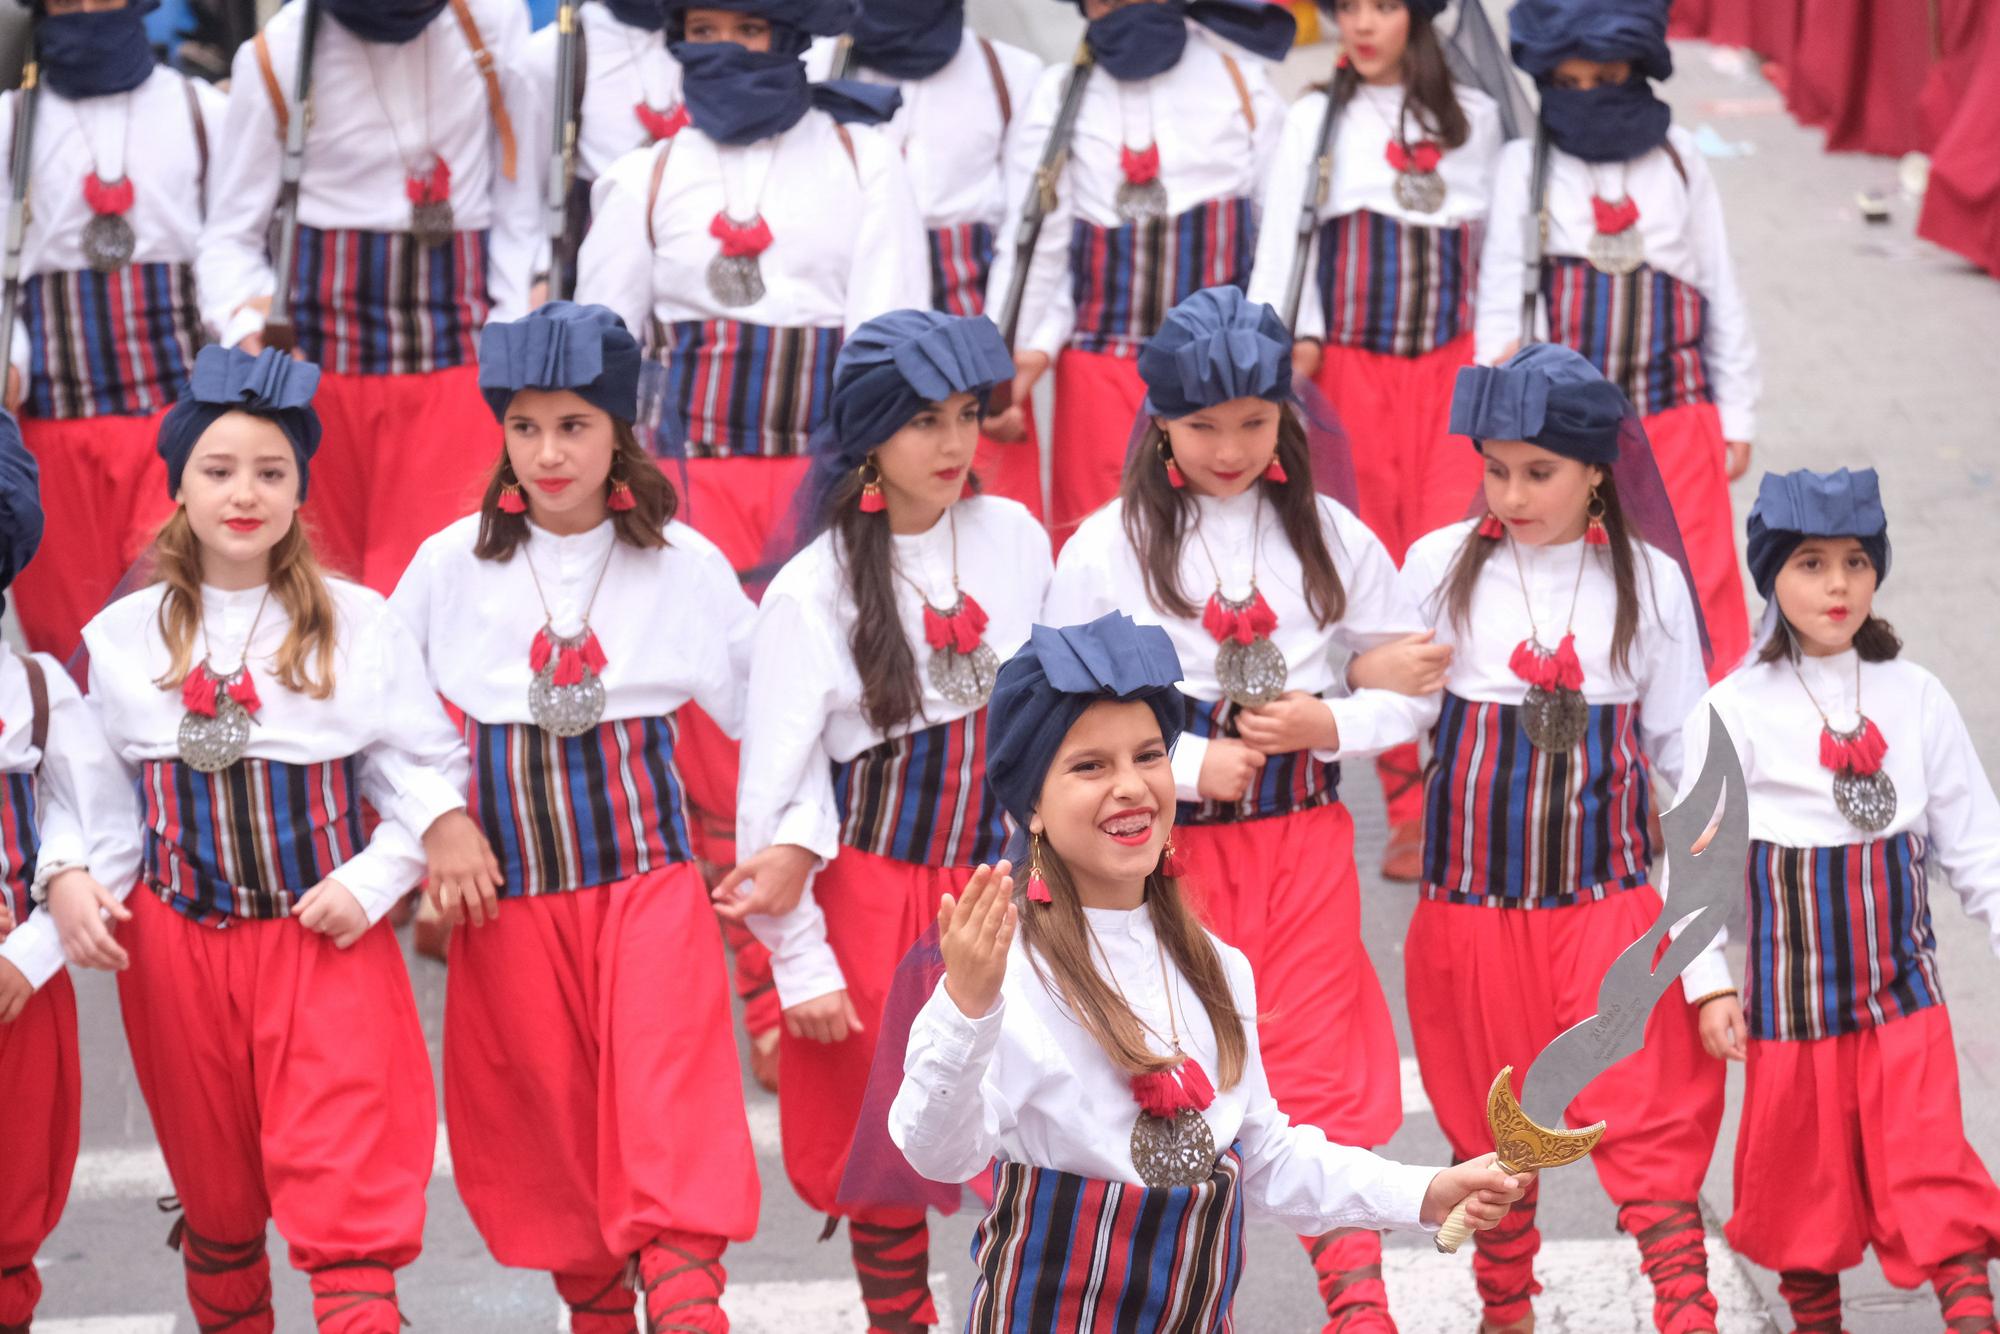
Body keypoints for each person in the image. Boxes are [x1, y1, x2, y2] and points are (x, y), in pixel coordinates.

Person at [884, 610, 1531, 1329]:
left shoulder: (1216, 967)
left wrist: (1426, 1191)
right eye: (1089, 766)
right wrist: (967, 1007)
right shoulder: (1011, 973)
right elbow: (935, 1150)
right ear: (1032, 804)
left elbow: (1264, 1156)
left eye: (1149, 756)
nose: (1130, 786)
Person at [1043, 287, 1433, 1331]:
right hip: (1154, 867)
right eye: (1203, 425)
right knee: (1160, 1078)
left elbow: (1412, 681)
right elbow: (1049, 707)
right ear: (1158, 420)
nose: (1229, 446)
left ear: (1284, 418)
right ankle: (1151, 1300)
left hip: (1304, 841)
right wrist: (1178, 760)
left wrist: (1330, 722)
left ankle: (1358, 1307)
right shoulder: (1105, 545)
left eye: (1254, 422)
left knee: (1317, 1068)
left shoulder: (1330, 533)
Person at [78, 345, 471, 1333]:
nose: (243, 493)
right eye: (217, 470)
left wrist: (376, 879)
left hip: (319, 943)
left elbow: (425, 767)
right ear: (179, 485)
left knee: (346, 1203)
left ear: (301, 486)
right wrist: (73, 879)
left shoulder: (357, 621)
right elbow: (102, 806)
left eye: (270, 471)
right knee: (217, 1201)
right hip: (177, 952)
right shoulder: (122, 637)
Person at [390, 301, 757, 1333]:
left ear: (618, 432)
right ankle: (596, 1313)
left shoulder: (681, 563)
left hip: (648, 887)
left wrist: (784, 840)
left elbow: (768, 706)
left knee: (667, 1116)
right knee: (540, 1132)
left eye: (575, 426)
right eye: (525, 426)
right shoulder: (445, 565)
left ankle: (689, 1315)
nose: (549, 452)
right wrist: (439, 816)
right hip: (509, 902)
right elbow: (381, 714)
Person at [1365, 343, 1724, 1334]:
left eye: (1537, 472)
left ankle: (1684, 1309)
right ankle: (1503, 1306)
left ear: (1597, 468)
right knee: (1486, 1123)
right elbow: (1394, 719)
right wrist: (1327, 712)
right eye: (1495, 468)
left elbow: (1691, 774)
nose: (1511, 492)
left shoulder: (1644, 582)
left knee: (1645, 1116)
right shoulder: (1438, 566)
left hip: (1605, 910)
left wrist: (1709, 966)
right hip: (1467, 915)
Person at [722, 308, 1047, 1333]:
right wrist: (799, 960)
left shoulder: (1014, 537)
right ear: (868, 436)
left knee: (1036, 1112)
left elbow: (1059, 714)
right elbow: (774, 793)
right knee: (889, 1144)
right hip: (875, 896)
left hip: (1008, 886)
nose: (953, 444)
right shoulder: (811, 590)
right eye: (922, 423)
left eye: (964, 415)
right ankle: (897, 1319)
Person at [1677, 468, 2000, 1334]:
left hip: (1905, 1000)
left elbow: (1978, 847)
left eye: (1856, 562)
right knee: (1798, 1196)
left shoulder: (1916, 694)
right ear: (1770, 576)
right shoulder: (1735, 708)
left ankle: (1973, 1316)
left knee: (1933, 1173)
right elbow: (1697, 869)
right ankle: (1818, 1321)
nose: (1837, 586)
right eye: (1811, 564)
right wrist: (1707, 982)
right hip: (1791, 1012)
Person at [1247, 0, 1505, 881]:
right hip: (1349, 374)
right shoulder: (1318, 115)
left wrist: (1500, 356)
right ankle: (1405, 802)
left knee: (1449, 562)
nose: (1361, 23)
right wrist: (1295, 339)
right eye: (1345, 6)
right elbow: (1285, 240)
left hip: (1452, 375)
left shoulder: (1476, 118)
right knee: (1374, 571)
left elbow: (1504, 250)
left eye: (1383, 5)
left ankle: (1459, 784)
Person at [574, 0, 927, 576]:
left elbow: (887, 342)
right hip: (677, 492)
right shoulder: (643, 176)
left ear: (788, 38)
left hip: (825, 484)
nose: (723, 48)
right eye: (703, 31)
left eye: (749, 30)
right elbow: (601, 355)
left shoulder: (866, 161)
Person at [199, 0, 534, 591]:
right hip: (321, 387)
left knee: (453, 589)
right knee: (330, 604)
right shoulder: (278, 50)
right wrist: (244, 321)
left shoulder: (493, 22)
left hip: (457, 368)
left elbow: (518, 201)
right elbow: (229, 239)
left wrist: (508, 334)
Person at [1476, 0, 1758, 675]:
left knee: (1703, 583)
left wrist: (1738, 411)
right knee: (1589, 585)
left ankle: (1718, 755)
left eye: (1603, 80)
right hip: (1568, 435)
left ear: (1635, 69)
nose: (1586, 99)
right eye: (1567, 86)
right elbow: (1499, 301)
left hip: (1677, 415)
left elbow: (1720, 288)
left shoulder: (1679, 157)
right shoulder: (1526, 164)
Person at [986, 0, 1293, 542]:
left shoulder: (1240, 80)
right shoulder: (1061, 94)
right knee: (1105, 535)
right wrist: (1013, 359)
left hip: (1219, 378)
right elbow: (1038, 243)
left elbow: (1279, 237)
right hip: (1100, 373)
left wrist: (1263, 353)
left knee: (1218, 535)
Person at [0, 0, 221, 660]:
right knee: (70, 651)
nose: (88, 8)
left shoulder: (201, 111)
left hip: (176, 429)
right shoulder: (11, 121)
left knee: (174, 637)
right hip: (52, 435)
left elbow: (230, 251)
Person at [0, 413, 145, 1334]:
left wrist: (32, 949)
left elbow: (103, 832)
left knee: (9, 1212)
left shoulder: (39, 689)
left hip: (12, 997)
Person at [805, 0, 1047, 517]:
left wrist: (1005, 368)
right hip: (852, 344)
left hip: (976, 353)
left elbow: (1027, 232)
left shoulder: (1012, 73)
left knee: (988, 527)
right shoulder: (816, 63)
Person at [503, 0, 682, 305]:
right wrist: (537, 280)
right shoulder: (553, 54)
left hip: (688, 288)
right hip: (595, 288)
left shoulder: (726, 41)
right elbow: (522, 201)